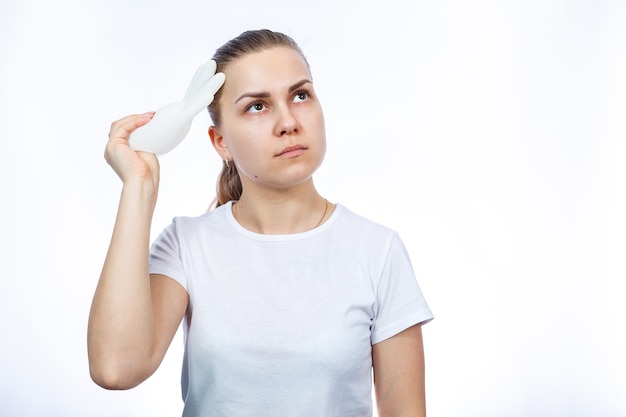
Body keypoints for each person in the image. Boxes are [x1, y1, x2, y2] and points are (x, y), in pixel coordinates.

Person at [88, 29, 433, 417]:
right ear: (221, 142)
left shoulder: (377, 250)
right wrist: (139, 187)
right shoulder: (187, 245)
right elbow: (116, 368)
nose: (288, 122)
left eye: (300, 95)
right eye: (257, 106)